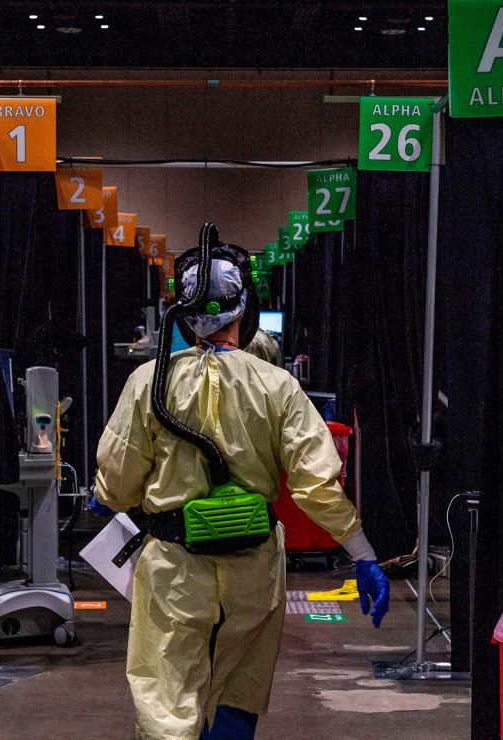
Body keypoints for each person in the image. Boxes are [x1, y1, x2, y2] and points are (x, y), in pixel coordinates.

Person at [95, 234, 388, 740]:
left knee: (167, 701)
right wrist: (362, 555)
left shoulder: (148, 383)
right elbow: (319, 486)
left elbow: (117, 484)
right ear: (244, 309)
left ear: (181, 313)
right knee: (238, 691)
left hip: (175, 571)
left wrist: (107, 497)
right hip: (253, 570)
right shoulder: (277, 386)